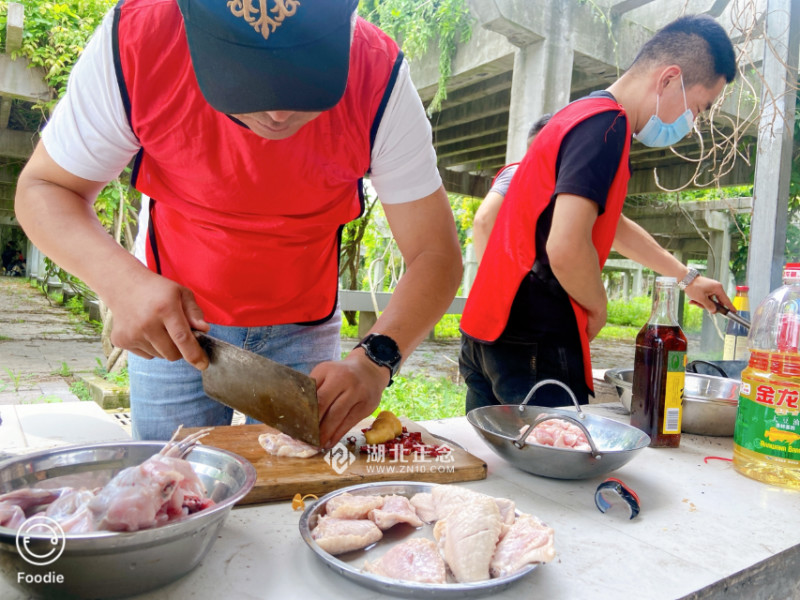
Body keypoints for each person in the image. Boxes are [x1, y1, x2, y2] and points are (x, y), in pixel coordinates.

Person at [14, 0, 462, 446]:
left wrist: (374, 359)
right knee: (171, 482)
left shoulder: (378, 74)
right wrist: (122, 283)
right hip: (174, 327)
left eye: (307, 81)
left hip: (304, 329)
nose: (279, 114)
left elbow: (434, 254)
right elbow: (45, 190)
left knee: (297, 490)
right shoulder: (138, 42)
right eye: (245, 78)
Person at [460, 14, 737, 412]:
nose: (691, 123)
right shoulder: (608, 126)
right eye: (698, 107)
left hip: (489, 335)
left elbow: (614, 226)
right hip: (534, 341)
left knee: (499, 463)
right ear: (669, 79)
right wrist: (597, 306)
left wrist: (686, 277)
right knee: (553, 464)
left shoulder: (579, 114)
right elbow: (567, 244)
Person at [472, 114, 551, 263]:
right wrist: (492, 281)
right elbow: (483, 221)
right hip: (513, 280)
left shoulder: (548, 186)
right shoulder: (518, 174)